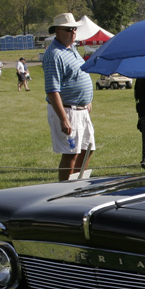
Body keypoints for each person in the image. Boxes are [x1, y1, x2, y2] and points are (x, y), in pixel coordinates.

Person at [42, 12, 95, 182]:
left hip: (81, 109)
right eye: (68, 29)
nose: (73, 32)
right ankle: (65, 189)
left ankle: (78, 183)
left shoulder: (72, 48)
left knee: (88, 149)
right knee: (70, 154)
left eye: (74, 29)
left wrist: (87, 99)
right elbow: (52, 90)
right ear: (57, 31)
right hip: (67, 110)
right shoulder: (54, 55)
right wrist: (63, 119)